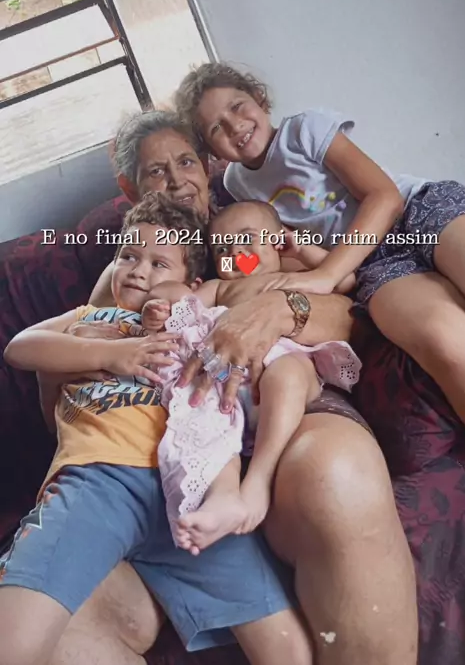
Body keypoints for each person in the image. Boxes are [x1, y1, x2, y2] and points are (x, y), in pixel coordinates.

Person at [43, 110, 417, 665]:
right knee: (61, 618)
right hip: (162, 434)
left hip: (274, 397)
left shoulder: (247, 224)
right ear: (130, 188)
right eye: (155, 172)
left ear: (208, 164)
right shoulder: (129, 269)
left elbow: (347, 314)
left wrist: (277, 310)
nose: (177, 181)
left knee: (336, 474)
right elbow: (65, 373)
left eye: (186, 162)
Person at [0, 194, 313, 665]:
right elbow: (20, 347)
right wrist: (108, 354)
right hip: (95, 480)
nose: (138, 271)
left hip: (191, 487)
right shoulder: (88, 320)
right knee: (12, 642)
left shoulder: (195, 321)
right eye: (127, 256)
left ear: (192, 284)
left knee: (288, 650)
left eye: (158, 263)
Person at [175, 62, 465, 441]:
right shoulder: (237, 184)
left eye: (237, 106)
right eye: (216, 128)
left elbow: (384, 197)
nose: (234, 125)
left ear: (259, 98)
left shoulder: (305, 130)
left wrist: (326, 274)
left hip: (418, 211)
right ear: (211, 149)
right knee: (443, 340)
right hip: (373, 265)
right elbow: (264, 253)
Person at [139, 199, 361, 554]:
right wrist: (158, 306)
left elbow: (346, 280)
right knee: (203, 414)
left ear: (277, 242)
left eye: (246, 239)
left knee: (287, 374)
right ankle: (223, 498)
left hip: (278, 364)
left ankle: (258, 480)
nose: (235, 253)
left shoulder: (292, 278)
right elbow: (184, 303)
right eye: (222, 249)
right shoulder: (219, 287)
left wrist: (301, 249)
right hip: (222, 376)